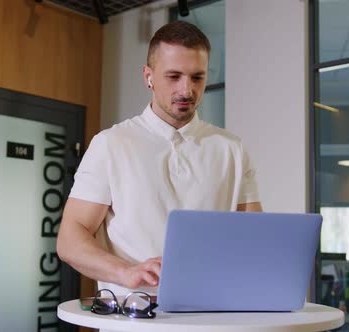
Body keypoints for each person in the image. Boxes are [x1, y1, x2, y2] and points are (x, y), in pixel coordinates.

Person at [57, 20, 262, 298]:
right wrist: (125, 272)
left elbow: (254, 237)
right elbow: (70, 238)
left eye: (197, 77)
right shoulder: (111, 144)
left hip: (212, 314)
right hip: (133, 315)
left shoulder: (231, 149)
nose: (186, 90)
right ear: (148, 76)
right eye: (173, 76)